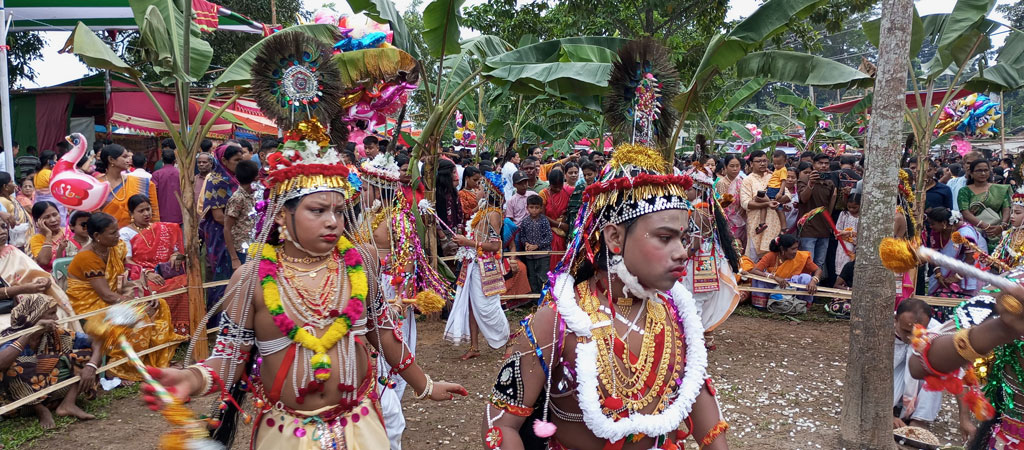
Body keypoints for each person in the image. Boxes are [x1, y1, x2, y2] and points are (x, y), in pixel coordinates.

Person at [141, 117, 465, 449]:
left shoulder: (361, 262)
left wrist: (425, 385)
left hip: (361, 427)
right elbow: (229, 357)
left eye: (339, 211)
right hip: (287, 435)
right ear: (282, 215)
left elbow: (382, 331)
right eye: (318, 210)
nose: (332, 222)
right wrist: (190, 378)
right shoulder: (252, 278)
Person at [482, 144, 728, 449]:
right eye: (665, 238)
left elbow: (710, 427)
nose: (681, 252)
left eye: (682, 237)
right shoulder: (558, 320)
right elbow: (500, 425)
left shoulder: (679, 320)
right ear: (614, 237)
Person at [66, 212, 182, 383]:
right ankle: (117, 369)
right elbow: (106, 294)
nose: (118, 236)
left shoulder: (115, 248)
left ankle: (151, 360)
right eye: (113, 233)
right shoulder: (87, 257)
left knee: (160, 305)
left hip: (112, 299)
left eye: (117, 231)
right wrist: (137, 304)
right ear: (97, 236)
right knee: (139, 318)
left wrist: (145, 295)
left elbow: (125, 278)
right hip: (91, 306)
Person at [0, 294, 101, 429]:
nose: (56, 319)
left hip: (50, 391)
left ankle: (68, 404)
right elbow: (1, 364)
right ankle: (40, 409)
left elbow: (97, 341)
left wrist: (91, 365)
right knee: (15, 367)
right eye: (52, 314)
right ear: (35, 317)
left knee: (86, 355)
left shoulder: (55, 333)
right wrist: (30, 333)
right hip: (17, 399)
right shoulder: (9, 337)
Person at [445, 171, 510, 360]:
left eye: (481, 188)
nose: (477, 190)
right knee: (473, 306)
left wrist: (468, 242)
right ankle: (474, 346)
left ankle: (508, 342)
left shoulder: (493, 215)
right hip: (473, 264)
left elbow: (496, 245)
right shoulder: (482, 212)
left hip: (485, 266)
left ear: (488, 193)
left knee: (487, 307)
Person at [118, 195, 190, 336]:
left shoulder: (163, 228)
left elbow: (176, 251)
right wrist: (147, 273)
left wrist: (175, 256)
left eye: (148, 209)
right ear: (131, 214)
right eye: (141, 211)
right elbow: (128, 261)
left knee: (185, 282)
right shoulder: (125, 233)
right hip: (140, 274)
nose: (146, 214)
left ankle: (182, 329)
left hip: (165, 272)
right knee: (154, 287)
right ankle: (159, 331)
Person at [200, 143, 244, 310]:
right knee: (223, 278)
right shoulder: (215, 180)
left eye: (241, 159)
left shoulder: (235, 178)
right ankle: (217, 321)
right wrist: (241, 225)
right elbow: (218, 216)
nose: (240, 163)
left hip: (236, 232)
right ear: (224, 160)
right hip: (220, 234)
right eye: (236, 160)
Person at [892, 298, 944, 431]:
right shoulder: (880, 330)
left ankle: (920, 419)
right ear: (895, 319)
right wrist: (886, 414)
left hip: (919, 380)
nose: (911, 338)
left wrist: (964, 419)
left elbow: (959, 375)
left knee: (939, 368)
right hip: (889, 380)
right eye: (906, 331)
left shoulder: (936, 332)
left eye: (916, 333)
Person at [925, 207, 984, 321]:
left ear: (944, 223)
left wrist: (956, 277)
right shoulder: (936, 232)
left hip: (967, 272)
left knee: (962, 308)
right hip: (945, 273)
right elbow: (934, 254)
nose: (931, 227)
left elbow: (971, 258)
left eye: (933, 224)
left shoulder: (965, 233)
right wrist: (938, 274)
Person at [747, 234, 823, 310]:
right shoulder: (771, 256)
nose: (795, 252)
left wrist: (814, 281)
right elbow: (754, 270)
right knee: (759, 278)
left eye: (796, 248)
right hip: (775, 284)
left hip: (793, 285)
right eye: (793, 249)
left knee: (806, 278)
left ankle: (802, 304)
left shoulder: (801, 256)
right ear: (782, 249)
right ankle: (762, 305)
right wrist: (773, 277)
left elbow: (818, 270)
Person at [96, 144, 160, 228]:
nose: (129, 160)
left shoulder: (142, 182)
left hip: (139, 235)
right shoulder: (97, 186)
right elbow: (95, 217)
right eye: (124, 157)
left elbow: (154, 214)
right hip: (108, 235)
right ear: (111, 160)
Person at [959, 158, 1011, 251]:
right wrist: (984, 226)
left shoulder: (1000, 189)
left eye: (986, 170)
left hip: (998, 232)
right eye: (979, 170)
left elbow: (1006, 208)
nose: (983, 173)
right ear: (971, 173)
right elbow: (965, 212)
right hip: (975, 233)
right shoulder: (964, 191)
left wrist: (1002, 226)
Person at [740, 150, 783, 260]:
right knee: (754, 260)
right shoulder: (747, 180)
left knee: (773, 258)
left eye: (765, 161)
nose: (762, 164)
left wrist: (778, 199)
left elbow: (787, 194)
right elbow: (745, 203)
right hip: (756, 224)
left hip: (773, 223)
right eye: (758, 161)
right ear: (751, 164)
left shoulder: (773, 176)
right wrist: (768, 203)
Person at [224, 160, 258, 270]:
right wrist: (234, 258)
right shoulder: (238, 198)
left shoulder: (254, 195)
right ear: (255, 178)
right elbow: (227, 229)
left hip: (253, 249)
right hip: (240, 252)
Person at [517, 195, 552, 294]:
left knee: (542, 277)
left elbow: (549, 237)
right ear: (527, 208)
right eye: (531, 207)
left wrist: (537, 246)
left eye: (537, 208)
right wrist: (526, 244)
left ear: (541, 208)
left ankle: (544, 299)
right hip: (529, 256)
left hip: (543, 255)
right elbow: (522, 236)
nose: (534, 210)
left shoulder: (544, 221)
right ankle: (534, 300)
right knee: (532, 277)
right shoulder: (525, 222)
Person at [539, 168, 572, 268]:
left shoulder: (567, 192)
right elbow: (542, 217)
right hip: (549, 233)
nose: (558, 189)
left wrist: (565, 219)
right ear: (550, 183)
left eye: (560, 186)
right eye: (555, 187)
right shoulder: (543, 194)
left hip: (564, 235)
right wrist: (559, 224)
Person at [28, 201, 71, 272]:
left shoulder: (68, 231)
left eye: (55, 215)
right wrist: (48, 235)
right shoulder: (36, 239)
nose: (53, 220)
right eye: (47, 217)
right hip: (52, 278)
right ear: (38, 221)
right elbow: (44, 261)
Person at [992, 188, 1024, 268]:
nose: (1012, 216)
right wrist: (989, 260)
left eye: (1017, 213)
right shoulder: (1008, 234)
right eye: (1012, 212)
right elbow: (998, 258)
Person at [33, 150, 67, 225]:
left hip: (39, 202)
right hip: (53, 203)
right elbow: (60, 187)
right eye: (55, 160)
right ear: (49, 161)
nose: (56, 161)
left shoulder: (37, 173)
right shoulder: (48, 173)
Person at [834, 193, 860, 283]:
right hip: (844, 246)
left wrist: (850, 233)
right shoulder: (844, 214)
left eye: (854, 207)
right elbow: (837, 231)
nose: (851, 209)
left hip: (857, 246)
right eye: (849, 207)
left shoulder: (862, 217)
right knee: (843, 265)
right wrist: (842, 233)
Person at [151, 148, 182, 225]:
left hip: (162, 215)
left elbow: (153, 194)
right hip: (179, 215)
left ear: (162, 159)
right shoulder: (181, 174)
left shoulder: (156, 174)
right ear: (174, 161)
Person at [0, 172, 31, 249]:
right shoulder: (3, 201)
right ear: (5, 187)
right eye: (11, 182)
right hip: (15, 240)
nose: (15, 185)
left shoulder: (11, 198)